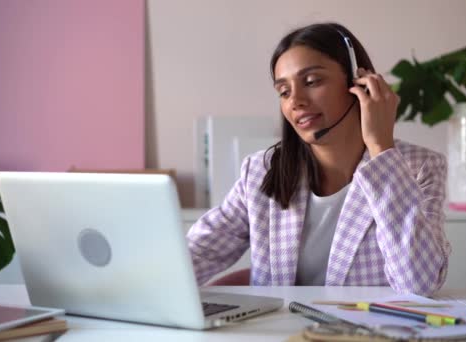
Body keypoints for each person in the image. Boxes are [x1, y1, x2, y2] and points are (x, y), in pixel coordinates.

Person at [186, 22, 451, 296]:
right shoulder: (260, 171)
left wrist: (381, 148)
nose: (295, 101)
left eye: (311, 82)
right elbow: (198, 252)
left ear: (359, 82)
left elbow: (419, 284)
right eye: (284, 91)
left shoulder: (420, 167)